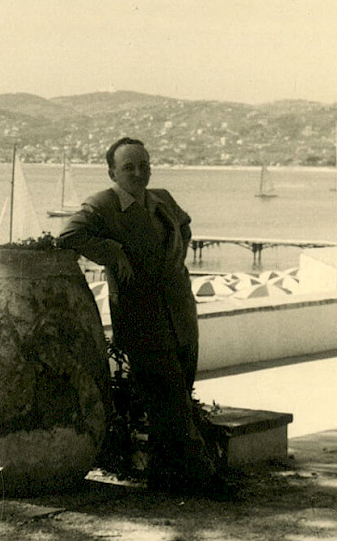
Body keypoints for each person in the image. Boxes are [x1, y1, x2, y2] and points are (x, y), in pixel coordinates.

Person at [57, 137, 235, 499]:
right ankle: (204, 478)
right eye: (129, 167)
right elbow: (68, 235)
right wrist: (113, 252)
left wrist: (177, 259)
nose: (139, 172)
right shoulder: (102, 205)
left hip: (181, 314)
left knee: (177, 396)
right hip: (142, 320)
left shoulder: (163, 199)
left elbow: (184, 226)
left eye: (144, 165)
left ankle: (165, 479)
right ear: (112, 173)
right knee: (170, 400)